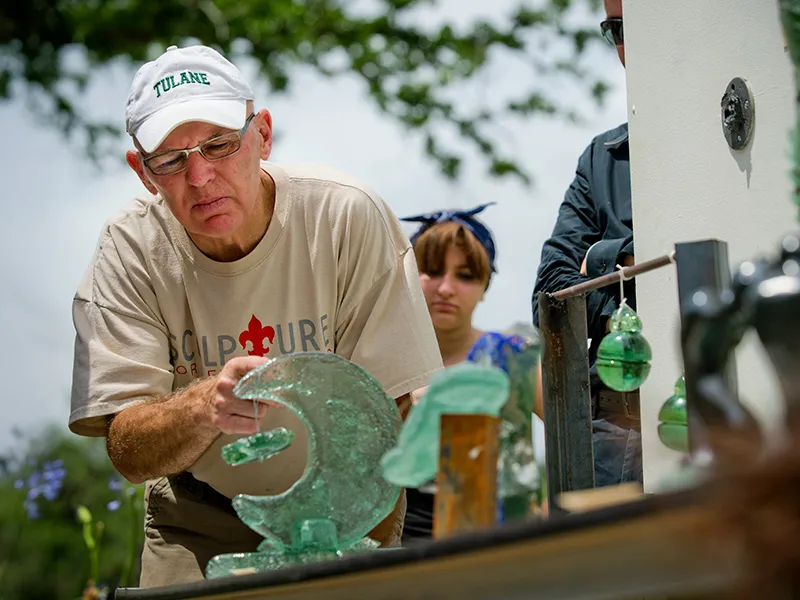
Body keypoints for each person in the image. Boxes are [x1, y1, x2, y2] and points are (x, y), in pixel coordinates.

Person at [68, 44, 443, 587]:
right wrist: (204, 406)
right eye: (170, 161)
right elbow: (127, 449)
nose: (199, 177)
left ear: (262, 134)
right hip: (198, 516)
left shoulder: (344, 216)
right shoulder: (130, 249)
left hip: (347, 508)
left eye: (218, 145)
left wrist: (350, 528)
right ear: (142, 172)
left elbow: (399, 407)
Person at [531, 0, 643, 488]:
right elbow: (552, 289)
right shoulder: (601, 157)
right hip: (614, 424)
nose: (627, 42)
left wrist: (598, 257)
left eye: (636, 24)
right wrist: (625, 257)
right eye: (615, 28)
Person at [399, 204, 544, 542]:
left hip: (494, 545)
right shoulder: (380, 358)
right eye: (432, 270)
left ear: (485, 285)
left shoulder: (510, 357)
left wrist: (554, 515)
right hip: (399, 548)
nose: (446, 288)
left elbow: (573, 436)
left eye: (465, 275)